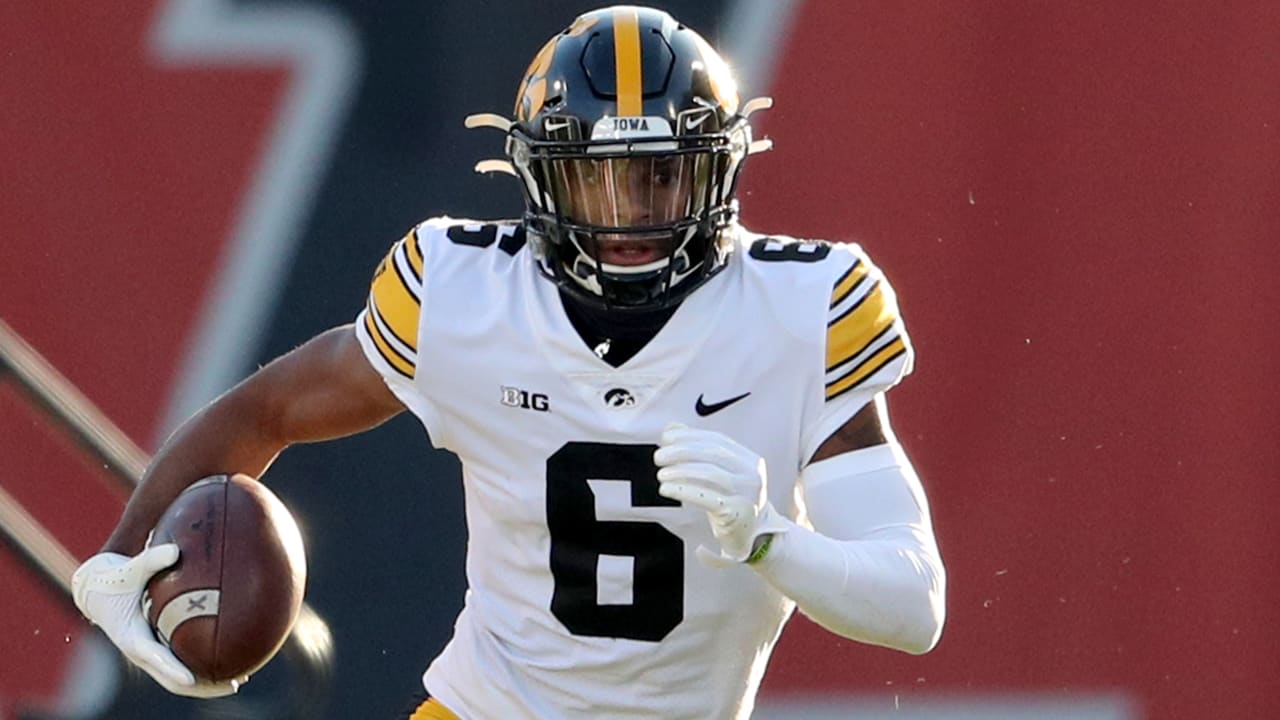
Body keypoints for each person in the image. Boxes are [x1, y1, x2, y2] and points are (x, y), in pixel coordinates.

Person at [70, 6, 946, 719]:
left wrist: (768, 538)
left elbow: (914, 606)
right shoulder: (465, 294)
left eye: (657, 179)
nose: (626, 220)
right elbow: (268, 413)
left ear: (718, 173)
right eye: (593, 181)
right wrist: (117, 557)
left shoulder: (802, 310)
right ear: (534, 181)